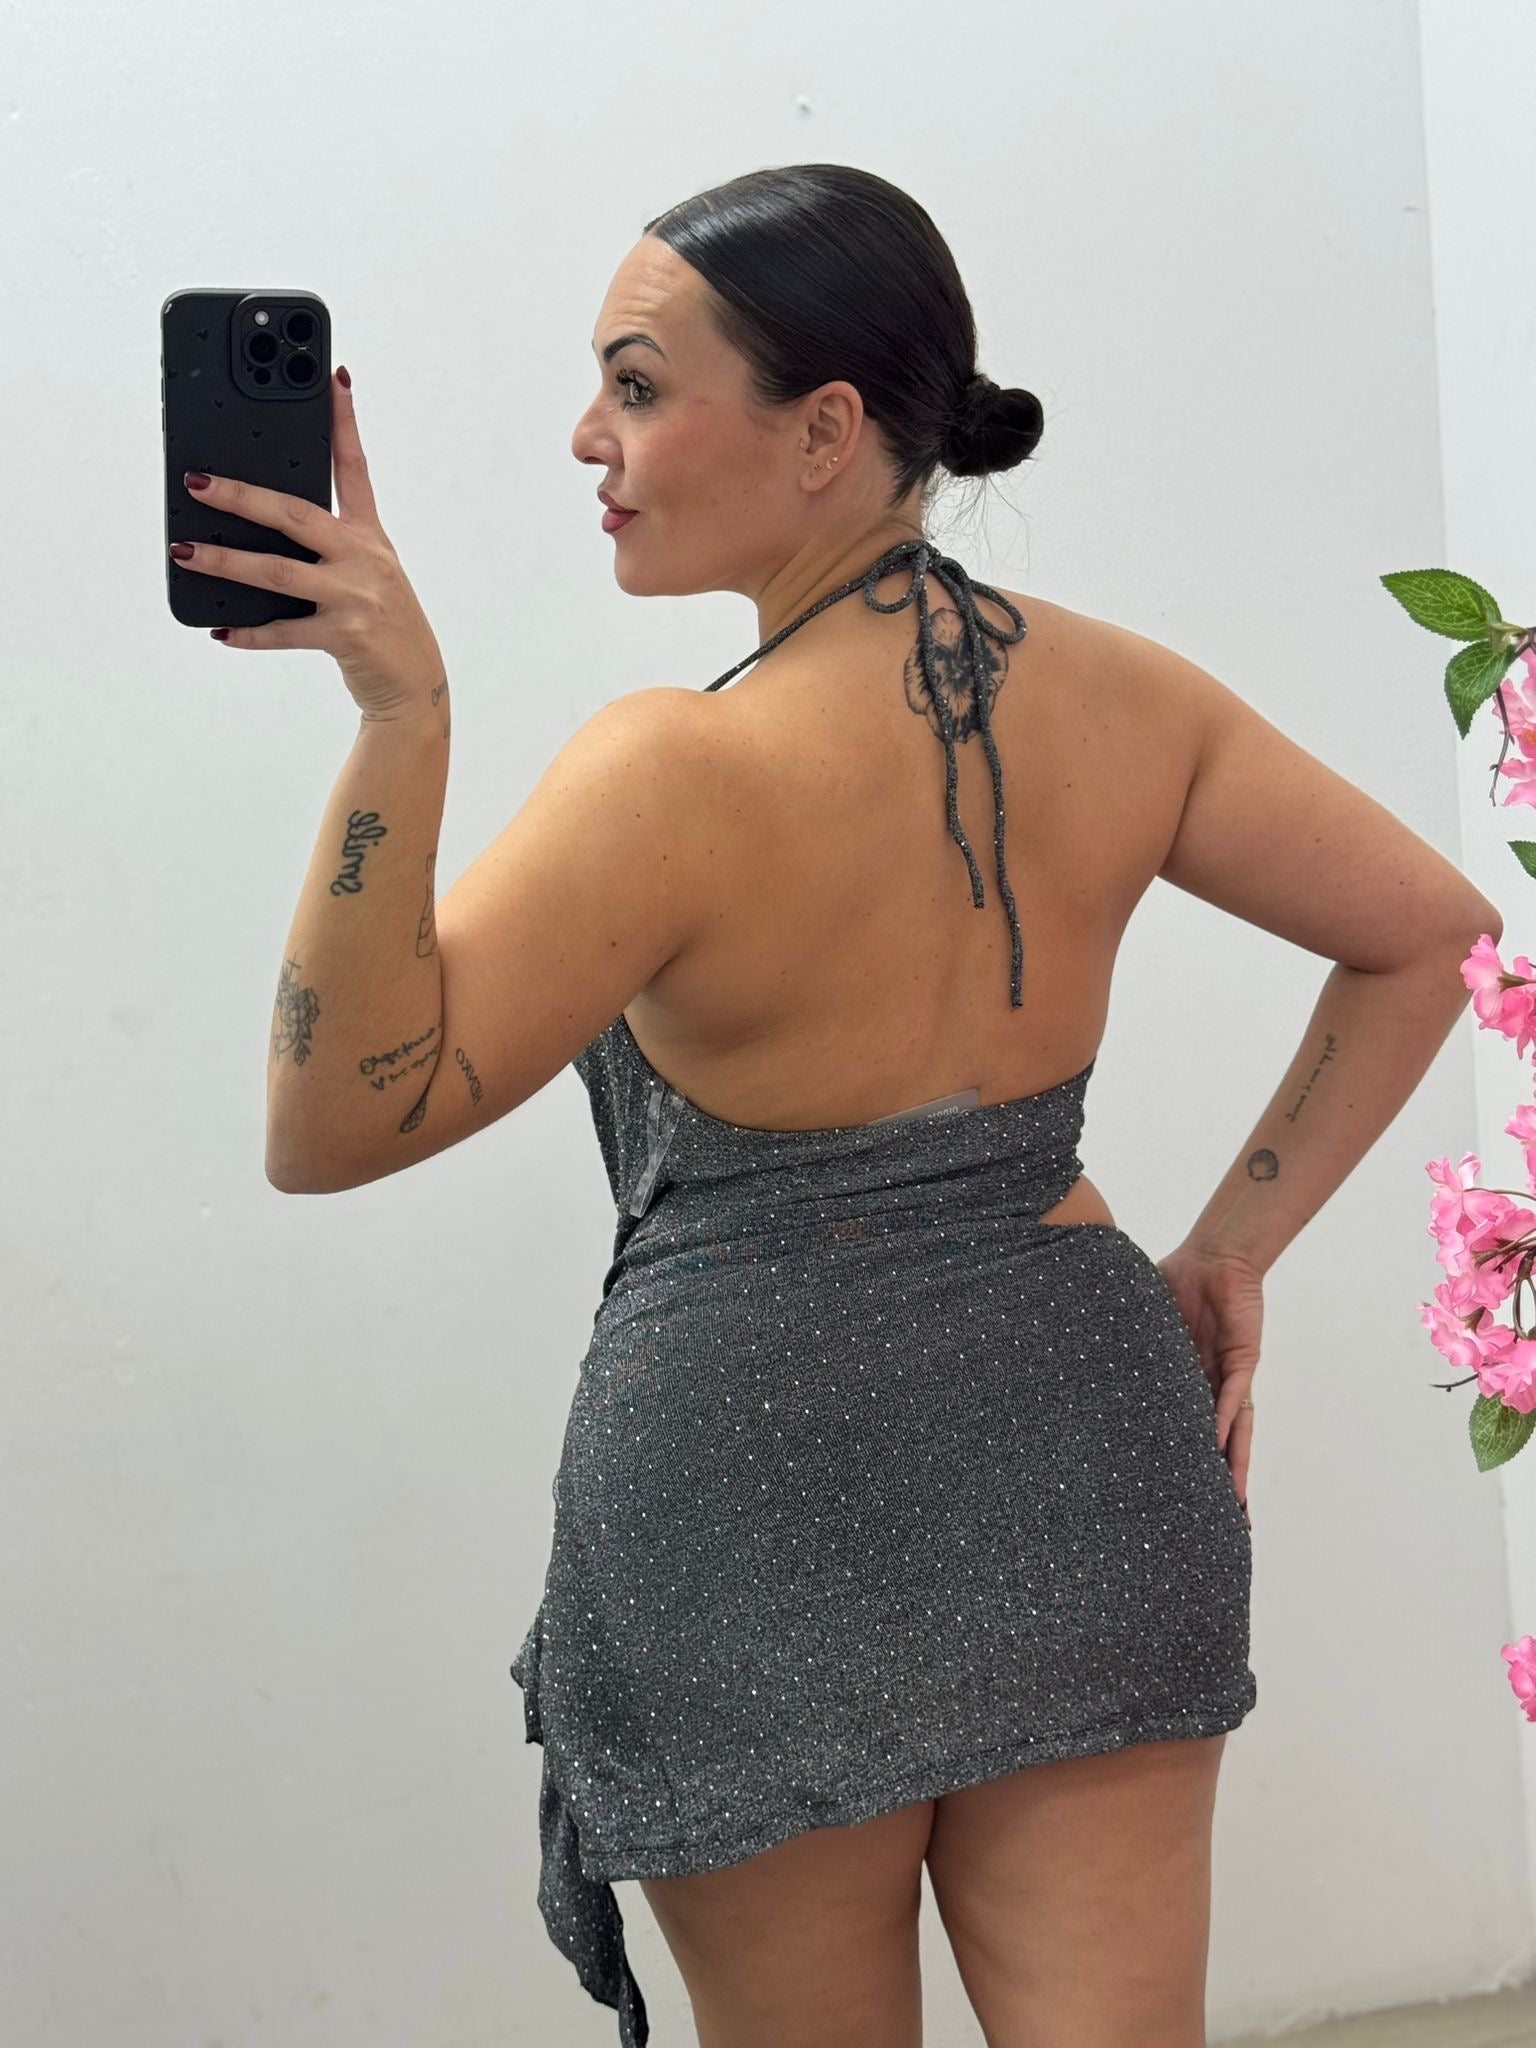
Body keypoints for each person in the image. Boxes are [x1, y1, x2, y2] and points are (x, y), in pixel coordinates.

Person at [288, 164, 1503, 2047]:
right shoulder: (1128, 698)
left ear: (825, 429)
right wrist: (1233, 1247)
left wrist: (398, 718)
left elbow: (333, 1125)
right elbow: (1431, 935)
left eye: (636, 386)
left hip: (745, 1507)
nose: (588, 438)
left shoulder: (671, 768)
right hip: (1087, 1443)